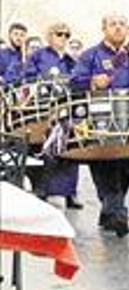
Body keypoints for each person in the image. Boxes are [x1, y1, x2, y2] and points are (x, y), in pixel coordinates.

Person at [69, 13, 129, 237]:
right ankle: (117, 214)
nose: (118, 28)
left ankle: (109, 211)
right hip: (100, 125)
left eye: (122, 24)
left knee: (126, 170)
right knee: (105, 168)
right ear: (103, 29)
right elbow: (74, 82)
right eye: (112, 24)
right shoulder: (90, 55)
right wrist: (92, 81)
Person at [20, 23, 82, 208]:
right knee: (44, 149)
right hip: (43, 108)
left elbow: (78, 80)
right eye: (59, 34)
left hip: (66, 109)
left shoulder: (71, 61)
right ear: (49, 36)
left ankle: (69, 193)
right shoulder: (38, 56)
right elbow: (28, 78)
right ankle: (44, 190)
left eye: (66, 34)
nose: (63, 38)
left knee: (71, 148)